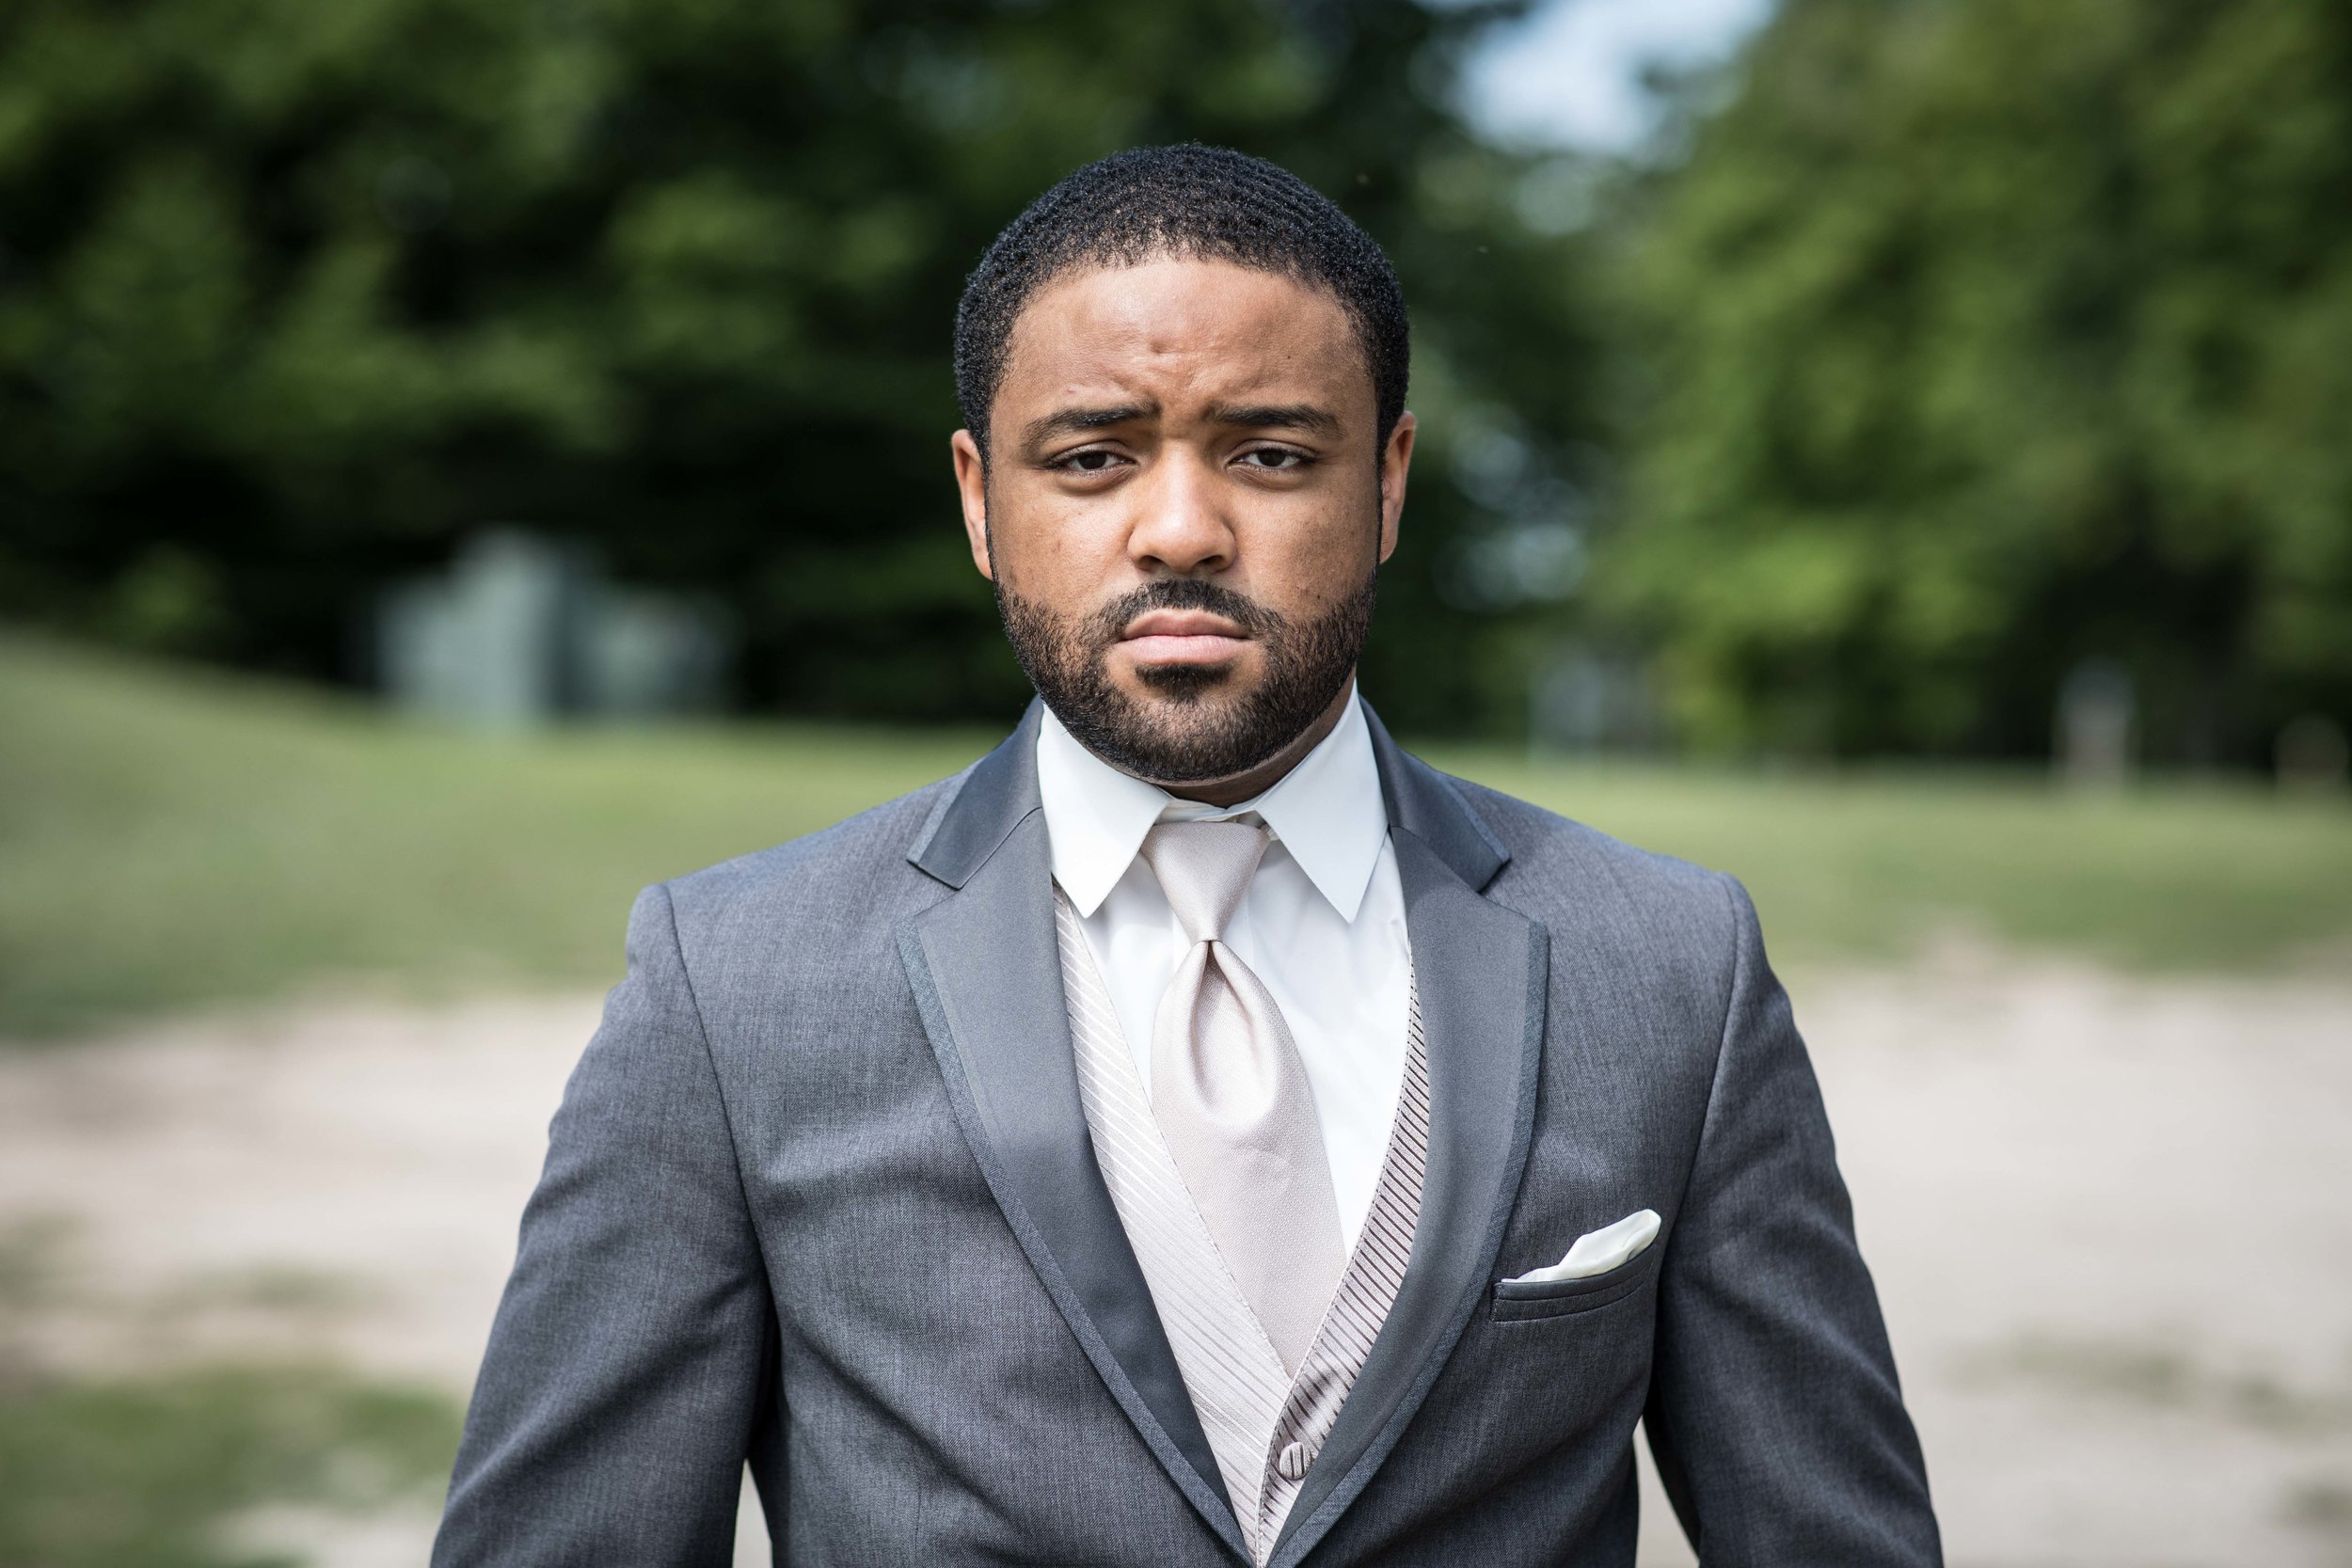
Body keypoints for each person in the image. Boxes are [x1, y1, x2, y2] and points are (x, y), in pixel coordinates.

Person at [432, 145, 1940, 1568]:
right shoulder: (735, 987)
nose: (1179, 529)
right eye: (1091, 457)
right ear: (978, 501)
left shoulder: (1672, 965)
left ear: (1391, 481)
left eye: (1272, 453)